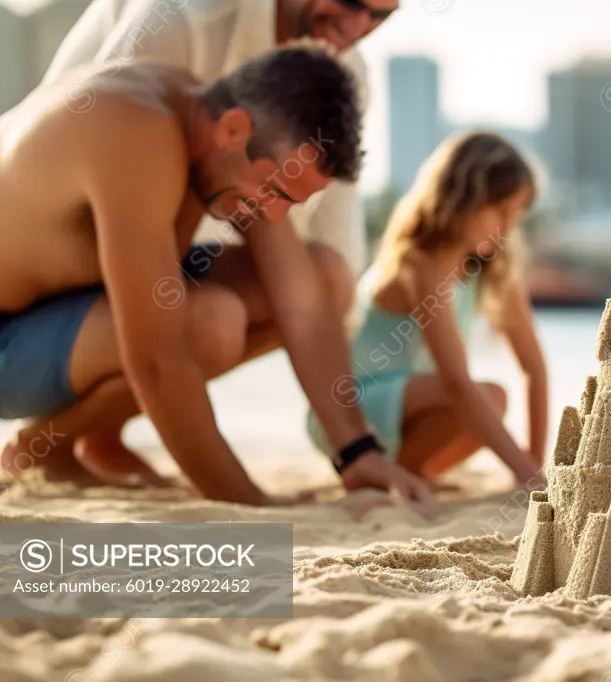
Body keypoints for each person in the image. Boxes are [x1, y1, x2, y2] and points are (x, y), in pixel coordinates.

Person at [0, 42, 435, 514]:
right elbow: (158, 360)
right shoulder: (136, 132)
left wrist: (358, 453)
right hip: (10, 334)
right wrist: (249, 502)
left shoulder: (206, 122)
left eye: (291, 202)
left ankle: (47, 447)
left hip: (74, 301)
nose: (274, 214)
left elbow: (304, 302)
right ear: (232, 129)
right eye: (274, 191)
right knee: (210, 320)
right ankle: (50, 449)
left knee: (325, 275)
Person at [42, 0, 398, 324]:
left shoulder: (347, 74)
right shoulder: (181, 19)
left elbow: (327, 232)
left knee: (326, 281)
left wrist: (345, 377)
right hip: (58, 268)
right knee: (209, 322)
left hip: (170, 255)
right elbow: (81, 165)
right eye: (350, 1)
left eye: (381, 16)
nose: (355, 29)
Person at [306, 132, 549, 490]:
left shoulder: (490, 268)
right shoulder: (421, 265)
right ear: (464, 198)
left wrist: (534, 460)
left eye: (517, 214)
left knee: (493, 399)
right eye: (500, 210)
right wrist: (529, 476)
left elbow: (534, 367)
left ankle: (411, 472)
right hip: (351, 411)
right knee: (485, 396)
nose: (508, 227)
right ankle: (391, 471)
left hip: (414, 403)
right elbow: (455, 382)